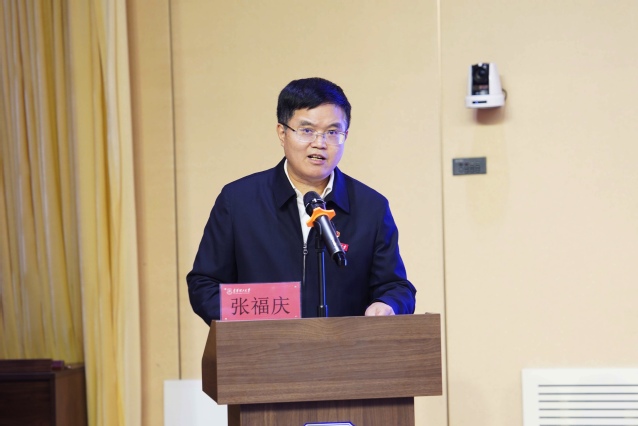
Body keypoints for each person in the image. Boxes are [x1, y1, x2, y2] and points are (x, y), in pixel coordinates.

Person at [187, 77, 416, 324]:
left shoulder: (371, 207)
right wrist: (246, 325)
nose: (320, 143)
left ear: (346, 135)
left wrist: (388, 304)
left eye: (332, 132)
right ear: (282, 133)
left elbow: (395, 286)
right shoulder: (238, 201)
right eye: (307, 130)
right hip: (263, 346)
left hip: (344, 346)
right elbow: (204, 284)